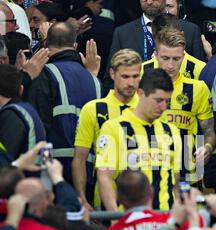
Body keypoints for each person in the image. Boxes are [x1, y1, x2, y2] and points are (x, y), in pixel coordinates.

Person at [105, 0, 205, 93]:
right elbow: (110, 80)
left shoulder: (190, 31)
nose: (149, 1)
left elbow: (202, 77)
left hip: (182, 104)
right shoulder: (123, 34)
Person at [25, 21, 101, 184]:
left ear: (46, 43)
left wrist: (45, 173)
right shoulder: (94, 80)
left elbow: (39, 131)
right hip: (90, 173)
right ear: (74, 46)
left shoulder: (44, 75)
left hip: (55, 172)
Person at [96, 68, 182, 212]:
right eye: (158, 100)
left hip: (164, 223)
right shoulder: (114, 128)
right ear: (141, 93)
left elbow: (175, 181)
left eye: (167, 101)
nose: (163, 107)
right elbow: (104, 177)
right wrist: (117, 219)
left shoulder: (172, 131)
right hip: (129, 221)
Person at [72, 49, 142, 209]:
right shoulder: (93, 109)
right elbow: (79, 158)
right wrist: (82, 198)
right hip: (105, 201)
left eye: (135, 76)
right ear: (112, 74)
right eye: (125, 76)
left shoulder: (148, 108)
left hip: (145, 200)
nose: (131, 83)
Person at [151, 28, 215, 183]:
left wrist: (207, 147)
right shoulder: (141, 79)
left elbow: (209, 131)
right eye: (165, 58)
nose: (171, 65)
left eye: (177, 58)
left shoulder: (197, 88)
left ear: (183, 55)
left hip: (189, 175)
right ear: (156, 54)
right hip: (150, 173)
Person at [0, 64, 46, 160]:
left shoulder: (11, 116)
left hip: (23, 174)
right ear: (21, 89)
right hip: (40, 173)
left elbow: (4, 162)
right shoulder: (28, 110)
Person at [141, 13, 206, 80]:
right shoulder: (141, 71)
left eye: (174, 36)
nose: (170, 66)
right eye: (163, 37)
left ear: (182, 34)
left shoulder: (201, 69)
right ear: (154, 38)